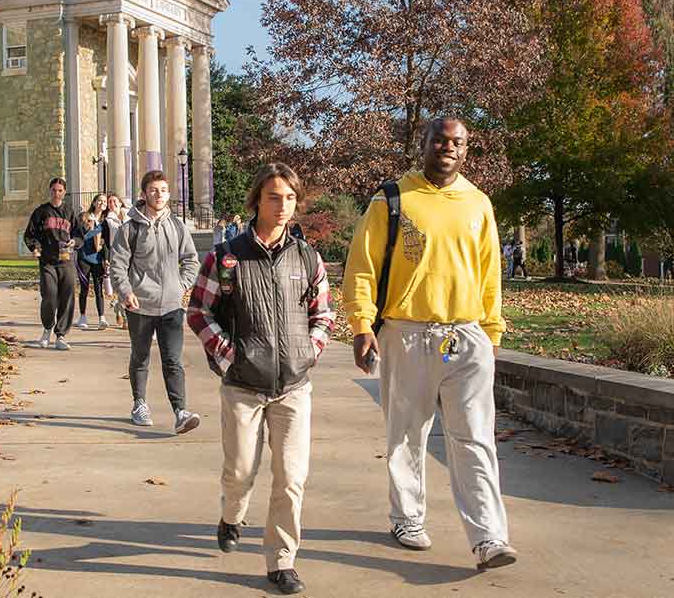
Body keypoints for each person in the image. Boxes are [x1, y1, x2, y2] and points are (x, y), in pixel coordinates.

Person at [343, 116, 517, 571]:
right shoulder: (391, 200)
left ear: (466, 150)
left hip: (466, 334)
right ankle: (408, 517)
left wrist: (491, 332)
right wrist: (362, 325)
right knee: (406, 434)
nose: (448, 148)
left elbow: (490, 274)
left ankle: (489, 538)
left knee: (475, 438)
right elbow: (361, 267)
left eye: (457, 142)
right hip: (406, 332)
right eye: (439, 140)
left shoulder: (479, 203)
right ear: (423, 144)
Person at [187, 163, 334, 595]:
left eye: (290, 197)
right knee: (240, 471)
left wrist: (311, 350)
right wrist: (228, 354)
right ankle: (232, 514)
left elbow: (322, 314)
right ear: (257, 200)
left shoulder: (307, 257)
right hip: (243, 386)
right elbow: (199, 311)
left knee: (291, 477)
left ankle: (281, 560)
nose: (283, 206)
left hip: (293, 387)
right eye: (274, 197)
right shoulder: (227, 257)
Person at [109, 171, 202, 434]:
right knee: (140, 357)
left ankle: (180, 411)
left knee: (173, 360)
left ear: (168, 194)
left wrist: (181, 285)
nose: (158, 194)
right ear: (143, 194)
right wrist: (125, 291)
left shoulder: (177, 226)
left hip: (172, 306)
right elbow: (117, 264)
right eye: (153, 190)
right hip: (140, 305)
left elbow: (191, 259)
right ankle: (139, 403)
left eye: (163, 190)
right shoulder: (130, 228)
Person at [23, 177, 81, 350]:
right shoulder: (41, 212)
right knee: (49, 295)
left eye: (60, 190)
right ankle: (47, 328)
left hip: (66, 260)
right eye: (54, 190)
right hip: (47, 261)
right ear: (50, 191)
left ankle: (61, 335)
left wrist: (74, 242)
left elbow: (79, 235)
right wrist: (35, 247)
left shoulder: (70, 212)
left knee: (67, 295)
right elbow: (29, 234)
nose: (57, 193)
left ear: (64, 192)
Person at [73, 211, 109, 330]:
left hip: (97, 261)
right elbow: (77, 242)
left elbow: (103, 245)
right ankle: (83, 317)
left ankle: (102, 317)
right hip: (83, 260)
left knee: (99, 290)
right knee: (84, 288)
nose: (87, 223)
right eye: (84, 221)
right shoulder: (79, 231)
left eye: (89, 221)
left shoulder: (99, 228)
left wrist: (105, 259)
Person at [102, 194, 129, 328]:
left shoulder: (129, 216)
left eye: (114, 201)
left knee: (131, 286)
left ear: (120, 202)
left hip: (130, 254)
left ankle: (119, 307)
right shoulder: (108, 220)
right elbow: (106, 241)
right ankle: (125, 318)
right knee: (120, 286)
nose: (112, 203)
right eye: (110, 202)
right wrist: (107, 258)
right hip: (116, 253)